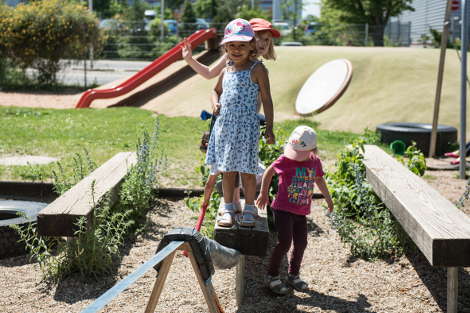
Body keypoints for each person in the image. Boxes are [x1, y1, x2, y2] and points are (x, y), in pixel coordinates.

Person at [206, 18, 275, 228]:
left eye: (242, 45)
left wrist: (270, 128)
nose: (237, 49)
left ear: (251, 45)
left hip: (247, 129)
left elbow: (267, 99)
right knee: (227, 171)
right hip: (225, 128)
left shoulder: (257, 69)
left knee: (247, 171)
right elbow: (215, 90)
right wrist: (215, 103)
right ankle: (228, 208)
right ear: (225, 46)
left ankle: (249, 208)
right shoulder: (226, 70)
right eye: (232, 45)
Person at [256, 126, 334, 295]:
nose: (297, 157)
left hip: (301, 212)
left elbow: (319, 178)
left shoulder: (315, 161)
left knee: (301, 244)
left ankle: (293, 275)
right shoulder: (286, 160)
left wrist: (327, 197)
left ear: (311, 149)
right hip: (283, 209)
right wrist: (263, 193)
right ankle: (272, 276)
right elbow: (269, 171)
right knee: (284, 243)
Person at [199, 130, 242, 213]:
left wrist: (205, 199)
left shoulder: (216, 158)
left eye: (206, 152)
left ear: (208, 146)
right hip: (256, 180)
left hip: (254, 185)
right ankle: (236, 203)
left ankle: (233, 204)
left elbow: (209, 184)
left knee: (220, 185)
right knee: (232, 174)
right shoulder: (228, 151)